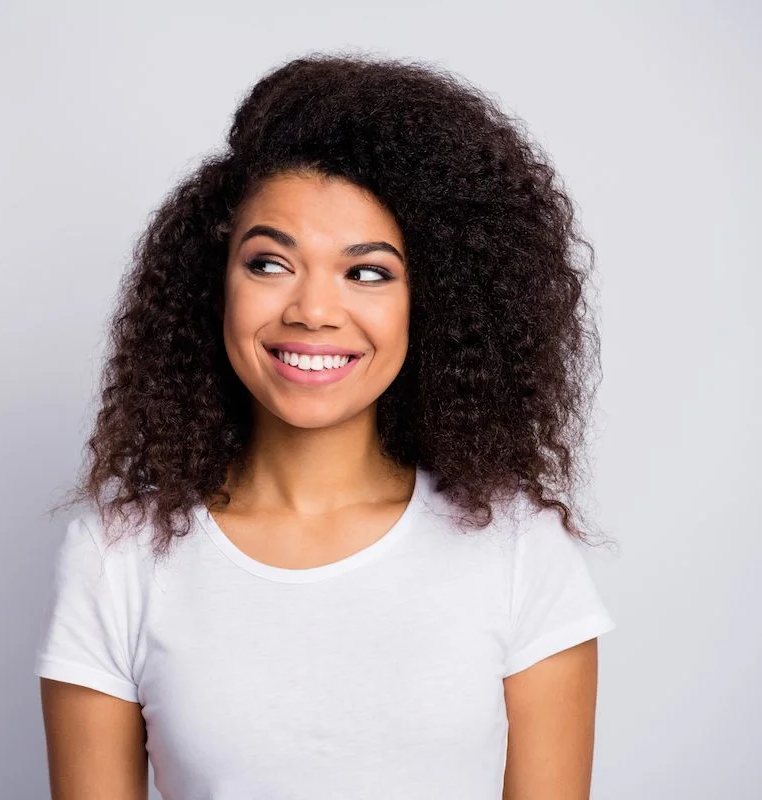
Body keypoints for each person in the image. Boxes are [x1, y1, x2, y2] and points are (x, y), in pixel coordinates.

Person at [33, 51, 617, 799]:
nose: (312, 310)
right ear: (214, 287)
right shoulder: (119, 560)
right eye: (270, 264)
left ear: (434, 303)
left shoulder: (517, 551)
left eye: (368, 272)